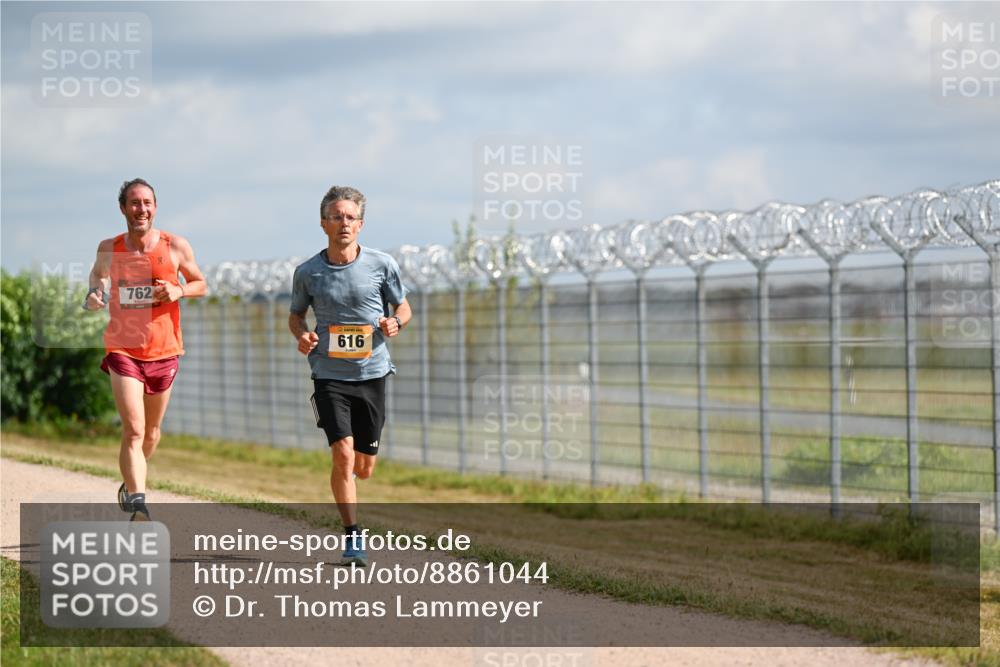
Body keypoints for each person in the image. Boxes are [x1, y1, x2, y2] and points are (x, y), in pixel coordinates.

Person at [289, 185, 411, 566]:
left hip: (372, 372)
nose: (344, 223)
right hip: (328, 373)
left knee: (364, 467)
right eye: (336, 216)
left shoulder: (381, 264)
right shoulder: (308, 272)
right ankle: (353, 537)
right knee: (342, 455)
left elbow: (404, 308)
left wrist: (394, 323)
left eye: (350, 217)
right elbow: (296, 316)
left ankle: (356, 481)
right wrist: (303, 335)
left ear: (361, 224)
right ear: (324, 222)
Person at [84, 178, 207, 521]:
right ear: (123, 208)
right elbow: (98, 277)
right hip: (123, 348)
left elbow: (200, 283)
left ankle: (130, 479)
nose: (141, 209)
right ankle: (138, 502)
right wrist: (95, 293)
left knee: (151, 433)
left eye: (147, 203)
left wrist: (179, 291)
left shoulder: (175, 246)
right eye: (135, 203)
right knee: (134, 429)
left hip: (164, 351)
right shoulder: (110, 248)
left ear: (155, 207)